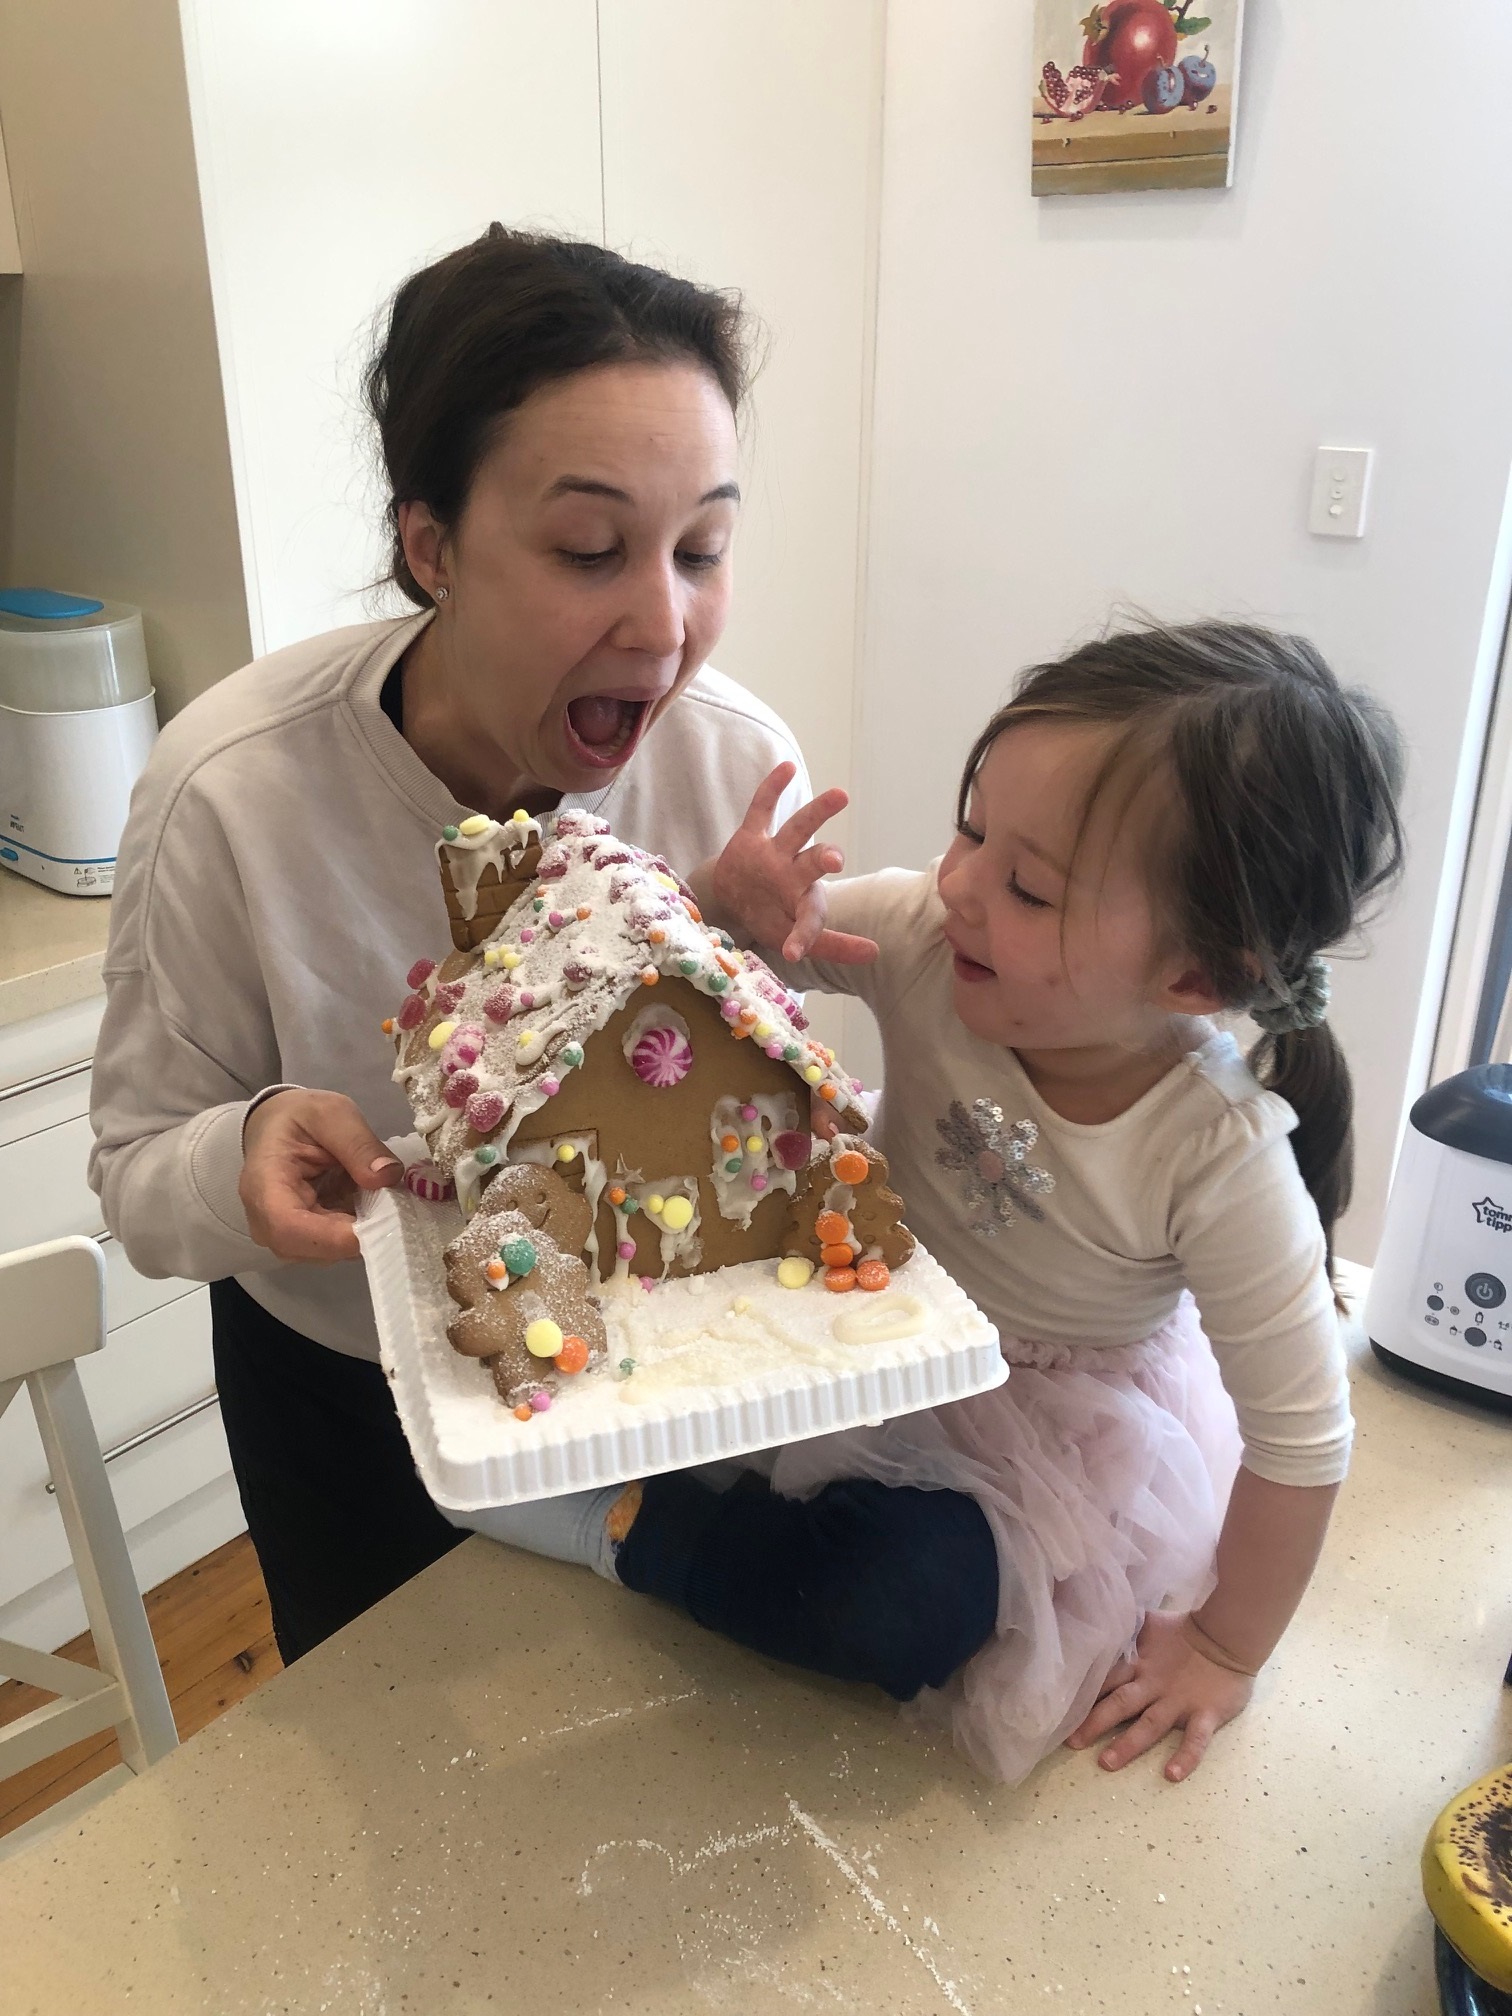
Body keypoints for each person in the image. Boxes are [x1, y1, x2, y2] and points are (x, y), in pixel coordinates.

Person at [478, 619, 1404, 1786]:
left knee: (902, 1605)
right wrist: (723, 899)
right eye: (972, 829)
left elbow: (1305, 1444)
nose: (957, 883)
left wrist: (1224, 1648)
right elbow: (708, 966)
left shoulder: (1215, 1160)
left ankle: (617, 1528)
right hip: (849, 1295)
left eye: (1025, 884)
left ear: (1194, 979)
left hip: (1032, 1422)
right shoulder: (924, 927)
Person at [87, 225, 823, 1665]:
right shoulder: (232, 791)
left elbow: (750, 1124)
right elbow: (135, 1173)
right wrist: (241, 1148)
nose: (664, 624)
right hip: (353, 1398)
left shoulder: (731, 769)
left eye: (703, 549)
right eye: (591, 549)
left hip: (653, 1369)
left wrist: (735, 959)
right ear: (428, 544)